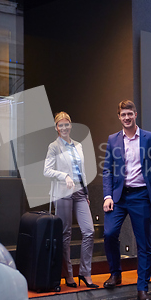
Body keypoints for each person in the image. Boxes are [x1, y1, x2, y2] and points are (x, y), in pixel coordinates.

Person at [102, 100, 151, 300]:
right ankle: (115, 273)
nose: (126, 117)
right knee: (109, 233)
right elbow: (107, 171)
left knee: (144, 244)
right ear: (119, 117)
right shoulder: (112, 140)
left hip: (140, 196)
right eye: (123, 115)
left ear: (135, 114)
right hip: (119, 197)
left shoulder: (150, 138)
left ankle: (142, 289)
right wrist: (108, 196)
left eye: (130, 113)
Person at [44, 112, 98, 289]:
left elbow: (81, 171)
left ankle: (85, 272)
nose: (64, 127)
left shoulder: (78, 146)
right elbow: (47, 171)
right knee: (65, 235)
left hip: (80, 192)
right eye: (61, 125)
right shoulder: (54, 147)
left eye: (67, 124)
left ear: (71, 125)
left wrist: (87, 194)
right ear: (56, 128)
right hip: (63, 193)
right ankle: (68, 274)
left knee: (89, 231)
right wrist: (64, 175)